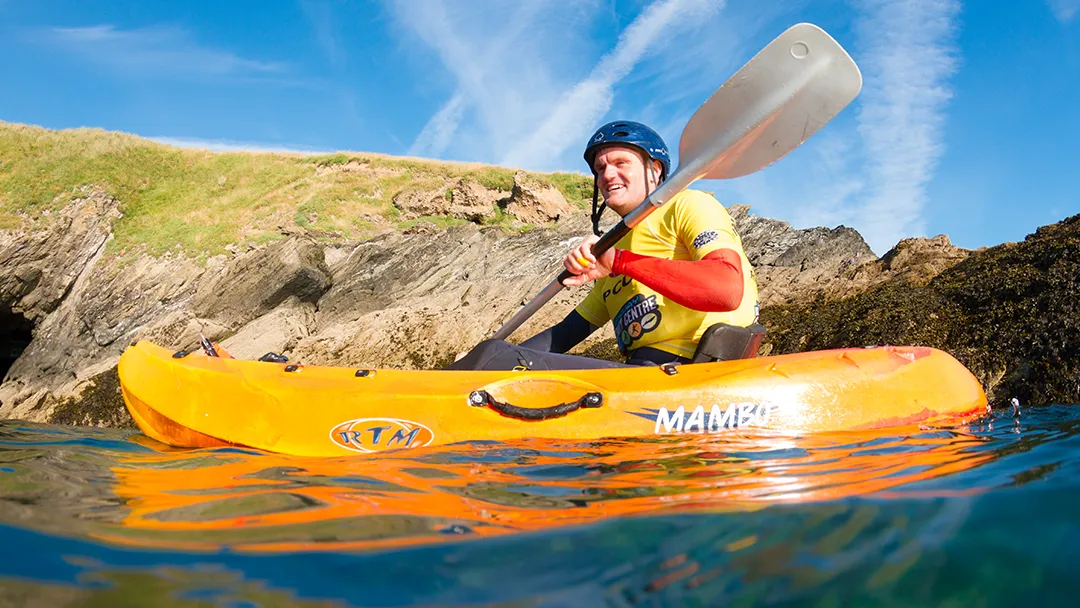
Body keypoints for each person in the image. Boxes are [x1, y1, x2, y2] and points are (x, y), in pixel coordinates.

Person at [446, 120, 759, 371]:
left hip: (694, 369)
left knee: (492, 357)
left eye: (621, 162)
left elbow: (727, 290)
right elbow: (564, 335)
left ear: (655, 169)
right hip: (646, 373)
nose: (607, 175)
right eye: (599, 168)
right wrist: (478, 363)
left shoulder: (688, 204)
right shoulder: (613, 246)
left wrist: (620, 261)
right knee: (492, 356)